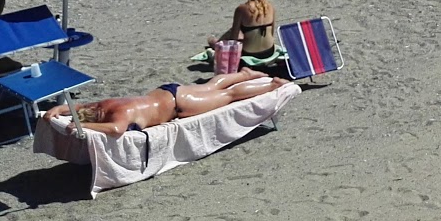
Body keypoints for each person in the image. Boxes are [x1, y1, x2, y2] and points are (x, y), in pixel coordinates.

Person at [42, 70, 285, 137]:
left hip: (180, 105)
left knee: (228, 96)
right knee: (212, 86)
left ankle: (273, 85)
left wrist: (84, 127)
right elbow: (85, 108)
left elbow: (116, 130)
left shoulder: (119, 115)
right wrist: (62, 109)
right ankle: (245, 74)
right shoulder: (105, 105)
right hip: (168, 92)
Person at [206, 0, 277, 63]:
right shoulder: (271, 7)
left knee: (224, 37)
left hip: (250, 53)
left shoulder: (242, 9)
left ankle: (215, 46)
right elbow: (271, 33)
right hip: (269, 51)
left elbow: (233, 39)